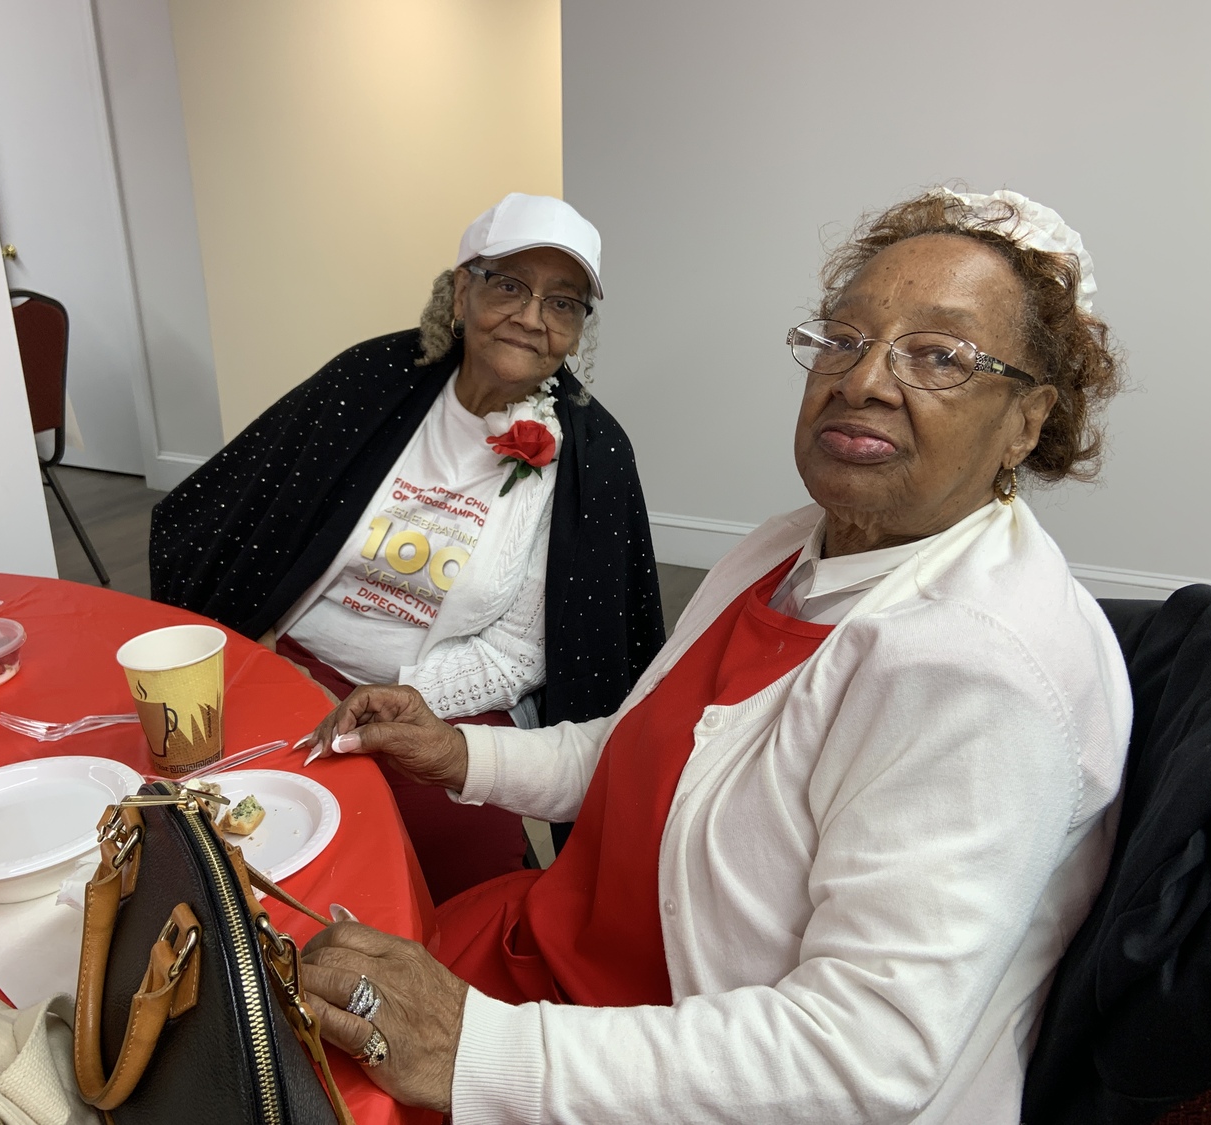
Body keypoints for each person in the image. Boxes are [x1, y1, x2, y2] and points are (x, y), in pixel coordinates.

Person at [292, 187, 1133, 1123]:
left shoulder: (981, 673)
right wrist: (463, 753)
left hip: (648, 1067)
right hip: (549, 960)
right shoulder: (790, 544)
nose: (863, 380)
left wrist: (474, 1046)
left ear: (1028, 419)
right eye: (844, 338)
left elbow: (863, 1058)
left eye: (938, 355)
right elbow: (656, 749)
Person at [150, 193, 667, 902]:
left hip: (449, 705)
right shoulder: (370, 383)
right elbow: (251, 504)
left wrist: (398, 698)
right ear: (461, 290)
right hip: (296, 667)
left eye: (563, 302)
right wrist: (256, 641)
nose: (531, 316)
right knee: (231, 850)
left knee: (455, 887)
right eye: (509, 285)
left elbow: (521, 655)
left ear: (577, 331)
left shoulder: (590, 456)